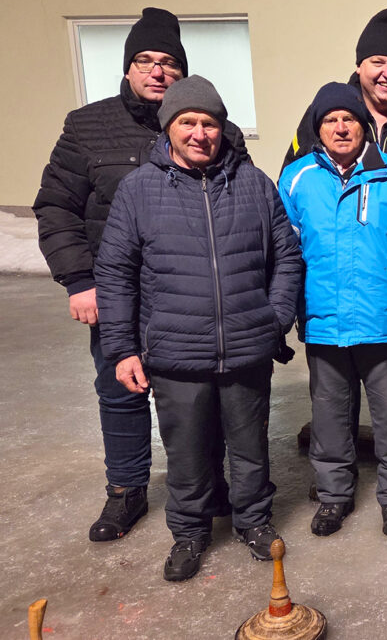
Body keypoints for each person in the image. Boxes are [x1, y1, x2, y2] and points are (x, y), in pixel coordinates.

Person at [33, 7, 247, 543]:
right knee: (120, 390)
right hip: (118, 292)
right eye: (145, 60)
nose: (157, 71)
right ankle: (126, 489)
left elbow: (239, 205)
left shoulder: (219, 130)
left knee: (203, 395)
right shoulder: (87, 126)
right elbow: (57, 206)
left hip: (190, 292)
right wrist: (79, 280)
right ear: (128, 67)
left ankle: (208, 483)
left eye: (169, 62)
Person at [94, 76, 301, 581]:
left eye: (209, 123)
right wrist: (123, 348)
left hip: (246, 346)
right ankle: (189, 532)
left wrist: (273, 317)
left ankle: (254, 521)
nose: (199, 133)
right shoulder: (138, 190)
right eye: (188, 122)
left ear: (221, 128)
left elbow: (287, 257)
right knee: (186, 453)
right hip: (175, 352)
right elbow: (115, 273)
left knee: (250, 447)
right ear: (169, 127)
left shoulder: (254, 184)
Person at [283, 8, 387, 485]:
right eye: (377, 61)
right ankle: (338, 475)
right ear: (359, 66)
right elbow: (292, 215)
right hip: (330, 295)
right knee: (334, 398)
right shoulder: (320, 121)